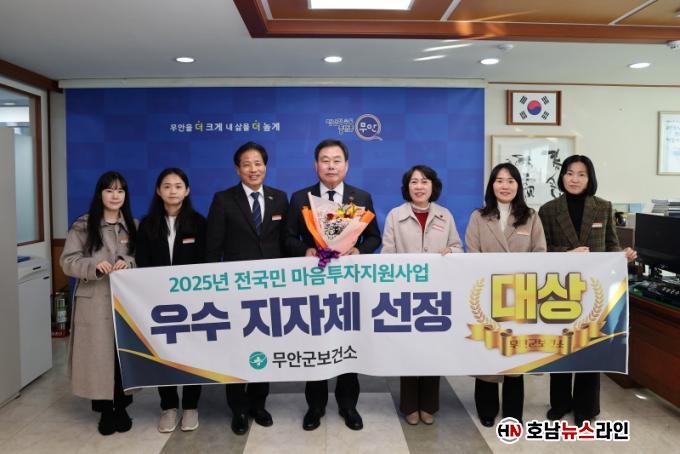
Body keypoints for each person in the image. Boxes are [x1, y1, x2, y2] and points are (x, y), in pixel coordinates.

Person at [285, 138, 382, 431]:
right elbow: (287, 237)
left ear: (346, 165)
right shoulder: (300, 198)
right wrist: (306, 250)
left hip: (349, 285)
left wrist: (358, 251)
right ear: (316, 165)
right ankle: (315, 407)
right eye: (325, 160)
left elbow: (374, 237)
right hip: (313, 283)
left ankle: (348, 405)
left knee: (347, 343)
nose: (331, 166)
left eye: (336, 160)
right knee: (316, 343)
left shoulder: (360, 197)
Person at [538, 155, 637, 427]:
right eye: (570, 173)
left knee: (591, 346)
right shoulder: (548, 210)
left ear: (589, 178)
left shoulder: (603, 207)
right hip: (560, 289)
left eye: (581, 174)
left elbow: (611, 246)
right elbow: (542, 250)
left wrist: (624, 256)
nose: (574, 179)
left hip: (595, 289)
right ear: (562, 176)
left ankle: (586, 407)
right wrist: (567, 253)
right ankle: (560, 404)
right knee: (561, 346)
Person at [206, 141, 289, 435]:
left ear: (265, 166)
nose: (253, 169)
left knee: (264, 348)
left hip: (270, 290)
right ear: (237, 169)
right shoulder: (223, 200)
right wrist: (214, 288)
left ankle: (258, 403)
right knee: (237, 349)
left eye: (258, 163)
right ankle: (238, 409)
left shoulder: (280, 198)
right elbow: (212, 247)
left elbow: (285, 243)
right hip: (235, 290)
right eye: (247, 164)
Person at [465, 162, 547, 427]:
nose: (505, 186)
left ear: (518, 186)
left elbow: (540, 253)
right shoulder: (478, 217)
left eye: (511, 181)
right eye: (499, 180)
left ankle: (513, 412)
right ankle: (487, 409)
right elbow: (472, 254)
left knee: (515, 355)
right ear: (492, 185)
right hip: (487, 295)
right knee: (488, 351)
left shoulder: (531, 216)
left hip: (520, 295)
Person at [381, 164, 463, 425]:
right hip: (405, 294)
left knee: (432, 350)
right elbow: (387, 254)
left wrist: (452, 252)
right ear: (407, 187)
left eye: (424, 181)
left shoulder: (445, 215)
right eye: (414, 182)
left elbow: (458, 247)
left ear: (433, 186)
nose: (419, 186)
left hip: (436, 294)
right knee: (409, 350)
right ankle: (409, 406)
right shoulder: (395, 215)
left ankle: (429, 405)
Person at [60, 171, 137, 435]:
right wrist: (93, 265)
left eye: (120, 191)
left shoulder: (134, 225)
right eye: (109, 190)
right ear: (100, 194)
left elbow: (144, 258)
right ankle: (105, 410)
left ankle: (123, 406)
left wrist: (128, 262)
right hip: (94, 300)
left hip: (126, 301)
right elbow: (67, 261)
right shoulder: (83, 225)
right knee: (98, 355)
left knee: (122, 354)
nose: (115, 196)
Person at [135, 168, 206, 433]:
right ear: (158, 191)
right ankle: (168, 406)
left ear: (187, 191)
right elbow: (141, 261)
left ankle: (191, 406)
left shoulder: (199, 223)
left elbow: (206, 261)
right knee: (162, 353)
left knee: (193, 354)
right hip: (158, 302)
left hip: (194, 302)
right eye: (167, 186)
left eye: (178, 186)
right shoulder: (147, 225)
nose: (172, 191)